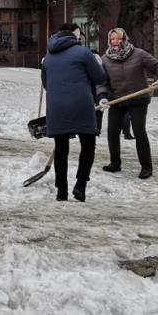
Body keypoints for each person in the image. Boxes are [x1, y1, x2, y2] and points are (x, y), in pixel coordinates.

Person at [41, 23, 106, 202]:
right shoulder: (84, 53)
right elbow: (100, 77)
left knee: (61, 149)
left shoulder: (48, 57)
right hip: (81, 105)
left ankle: (61, 191)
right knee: (87, 145)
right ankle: (80, 186)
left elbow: (47, 85)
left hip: (57, 107)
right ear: (75, 37)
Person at [98, 27, 158, 179]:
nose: (115, 42)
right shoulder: (105, 59)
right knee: (112, 132)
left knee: (139, 131)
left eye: (118, 39)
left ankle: (146, 167)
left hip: (138, 99)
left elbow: (157, 66)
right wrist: (103, 96)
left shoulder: (138, 54)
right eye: (112, 39)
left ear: (124, 39)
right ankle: (115, 163)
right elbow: (102, 81)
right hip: (117, 100)